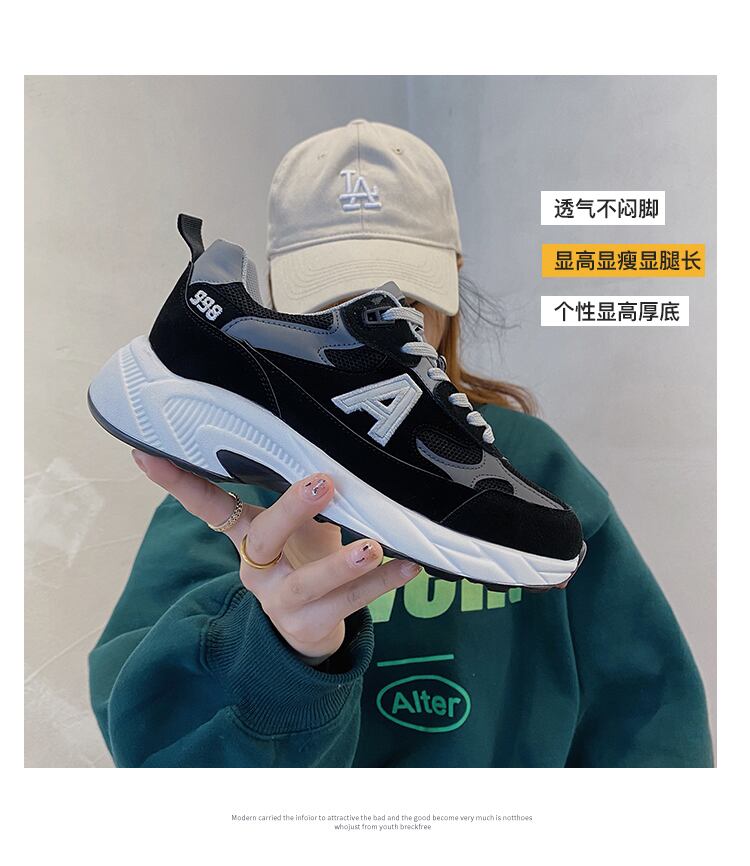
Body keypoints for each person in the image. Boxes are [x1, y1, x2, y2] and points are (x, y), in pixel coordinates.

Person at [88, 120, 713, 767]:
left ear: (454, 280)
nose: (371, 340)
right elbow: (157, 755)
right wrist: (280, 657)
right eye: (336, 302)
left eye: (400, 305)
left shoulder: (538, 466)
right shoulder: (226, 481)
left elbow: (650, 723)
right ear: (272, 298)